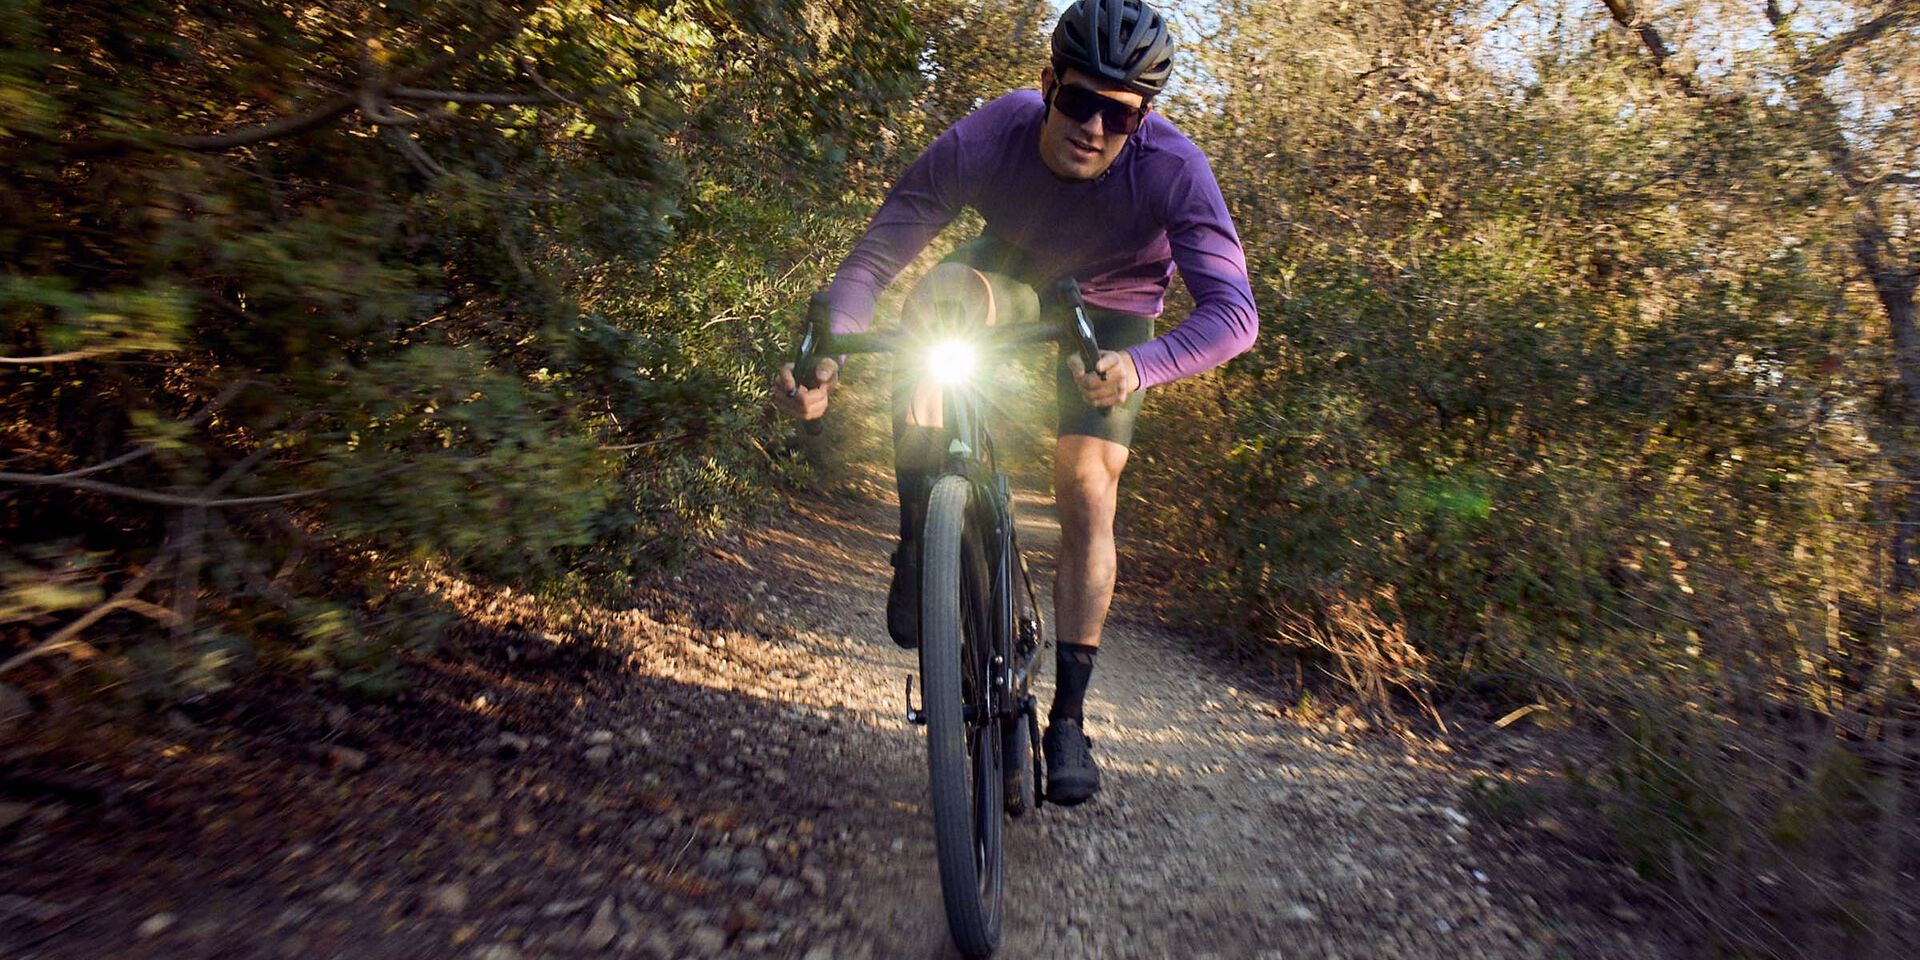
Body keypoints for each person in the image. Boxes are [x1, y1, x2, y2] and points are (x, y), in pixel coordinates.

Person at [772, 0, 1256, 806]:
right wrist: (825, 357)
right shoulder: (993, 134)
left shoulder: (1173, 167)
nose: (1094, 127)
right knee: (938, 297)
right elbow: (879, 252)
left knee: (1087, 489)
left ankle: (1067, 717)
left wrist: (1143, 367)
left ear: (1144, 120)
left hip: (1114, 311)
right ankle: (922, 527)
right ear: (1047, 85)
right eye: (1078, 100)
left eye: (1119, 114)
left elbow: (1235, 315)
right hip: (1012, 274)